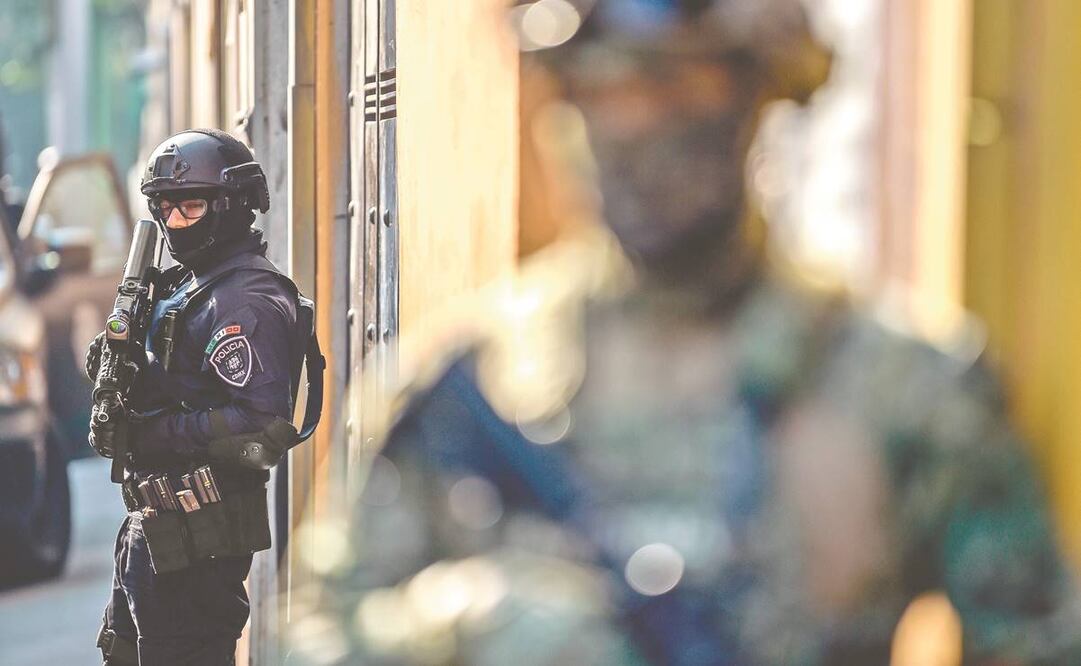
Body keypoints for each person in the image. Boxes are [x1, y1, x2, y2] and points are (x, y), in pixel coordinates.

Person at [292, 1, 1081, 665]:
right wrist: (459, 627)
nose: (636, 131)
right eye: (601, 93)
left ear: (754, 97)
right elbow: (321, 638)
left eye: (676, 88)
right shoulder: (474, 385)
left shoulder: (904, 392)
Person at [86, 129, 322, 665]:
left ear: (233, 205)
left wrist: (149, 433)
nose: (174, 223)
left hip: (199, 544)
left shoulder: (246, 300)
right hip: (154, 533)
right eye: (164, 208)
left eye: (190, 206)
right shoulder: (187, 286)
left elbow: (260, 427)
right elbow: (167, 380)